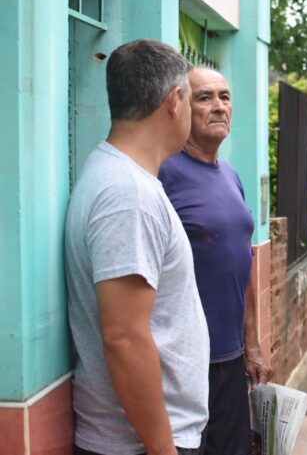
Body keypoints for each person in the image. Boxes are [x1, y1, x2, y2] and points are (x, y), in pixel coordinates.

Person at [64, 39, 209, 455]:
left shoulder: (121, 178)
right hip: (140, 443)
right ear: (175, 100)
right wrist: (162, 449)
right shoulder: (128, 194)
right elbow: (124, 338)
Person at [159, 67, 274, 455]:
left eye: (224, 97)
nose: (219, 106)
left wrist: (252, 345)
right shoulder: (164, 174)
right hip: (184, 364)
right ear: (181, 106)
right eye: (204, 97)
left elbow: (243, 260)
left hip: (231, 359)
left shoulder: (230, 174)